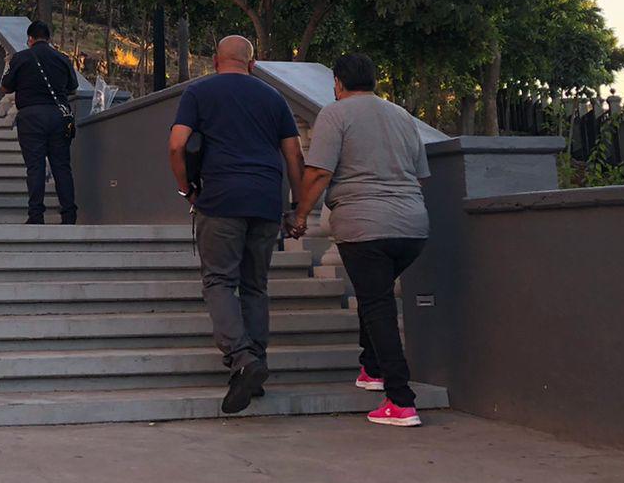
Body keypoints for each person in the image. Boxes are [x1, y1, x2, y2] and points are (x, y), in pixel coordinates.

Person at [289, 53, 431, 428]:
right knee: (377, 294)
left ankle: (400, 400)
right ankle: (370, 368)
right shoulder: (401, 116)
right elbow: (420, 177)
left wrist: (300, 215)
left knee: (377, 304)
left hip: (365, 225)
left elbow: (319, 172)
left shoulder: (334, 114)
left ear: (337, 83)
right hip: (413, 227)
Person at [168, 35, 303, 416]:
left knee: (219, 280)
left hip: (221, 200)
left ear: (214, 61)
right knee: (255, 285)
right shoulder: (273, 98)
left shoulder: (199, 93)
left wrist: (185, 189)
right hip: (265, 202)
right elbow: (294, 153)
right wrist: (296, 206)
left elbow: (177, 145)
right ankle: (255, 363)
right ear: (252, 63)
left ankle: (243, 358)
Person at [1, 20, 81, 224]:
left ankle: (36, 215)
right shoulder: (62, 59)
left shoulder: (20, 58)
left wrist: (8, 65)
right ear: (49, 38)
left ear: (30, 39)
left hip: (31, 117)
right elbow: (73, 87)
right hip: (58, 117)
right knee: (62, 166)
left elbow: (5, 88)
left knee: (35, 167)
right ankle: (69, 215)